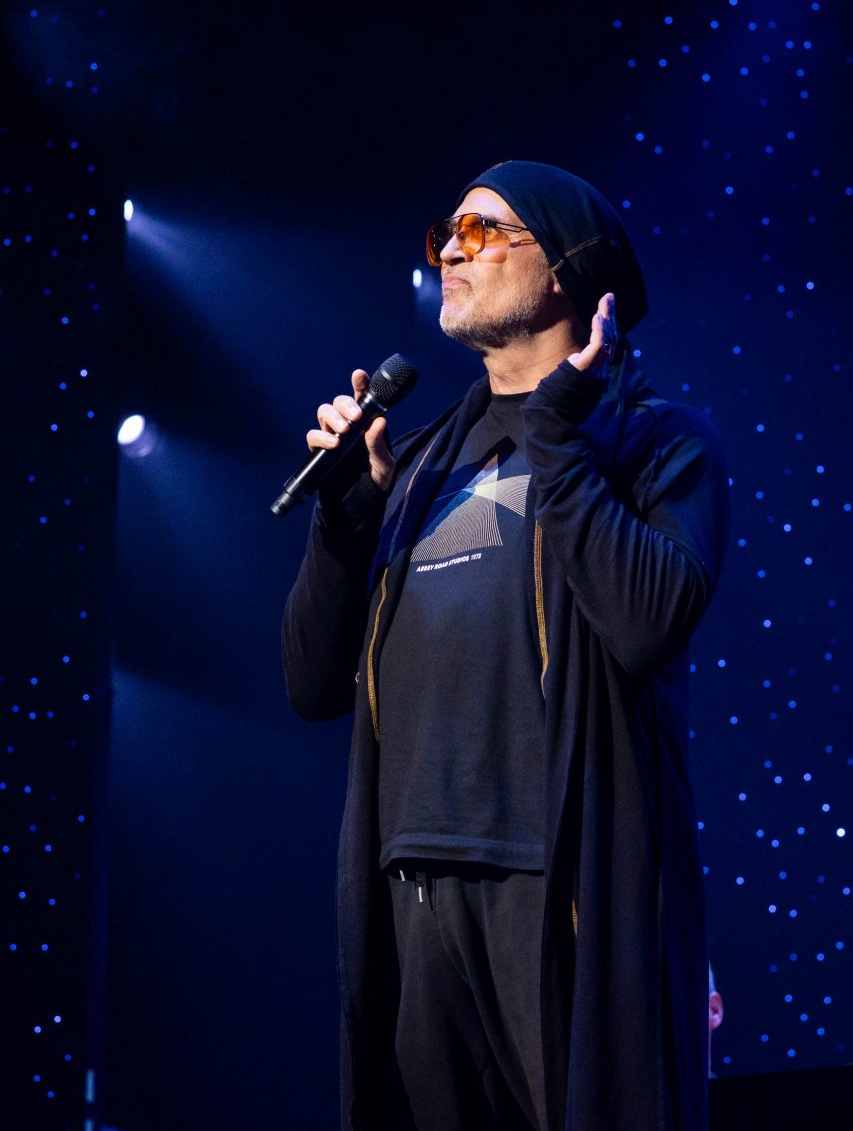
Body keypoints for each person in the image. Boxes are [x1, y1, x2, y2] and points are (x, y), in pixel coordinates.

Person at [282, 160, 730, 1131]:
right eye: (445, 233)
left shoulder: (657, 443)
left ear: (567, 267)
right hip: (413, 885)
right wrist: (344, 522)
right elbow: (312, 683)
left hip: (561, 883)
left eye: (483, 231)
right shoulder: (416, 466)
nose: (450, 250)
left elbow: (646, 622)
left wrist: (558, 432)